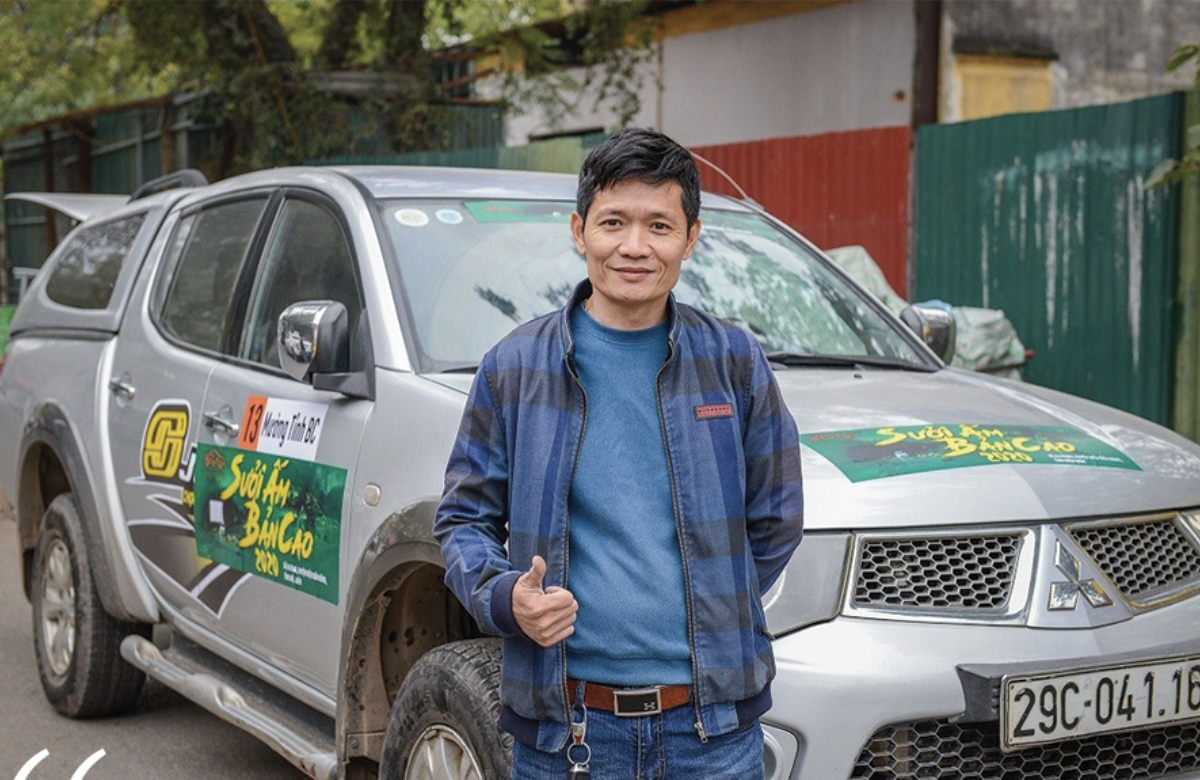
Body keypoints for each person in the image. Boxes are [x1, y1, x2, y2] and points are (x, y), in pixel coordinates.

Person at [434, 128, 804, 780]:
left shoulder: (734, 362)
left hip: (712, 732)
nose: (634, 246)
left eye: (659, 225)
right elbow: (464, 520)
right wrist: (504, 599)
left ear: (690, 239)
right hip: (568, 729)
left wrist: (719, 599)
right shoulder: (515, 368)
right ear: (580, 231)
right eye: (613, 223)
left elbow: (776, 517)